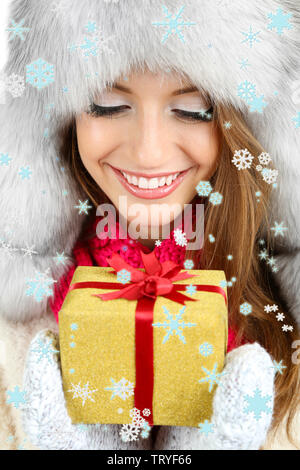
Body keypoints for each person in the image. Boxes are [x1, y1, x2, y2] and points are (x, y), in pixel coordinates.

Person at [0, 0, 299, 450]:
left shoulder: (285, 333)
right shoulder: (12, 341)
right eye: (108, 104)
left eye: (195, 109)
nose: (148, 153)